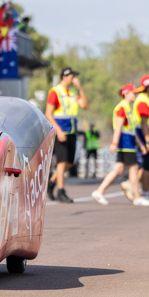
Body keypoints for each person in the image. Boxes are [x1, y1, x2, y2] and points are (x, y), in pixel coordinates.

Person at [44, 67, 88, 203]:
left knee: (69, 163)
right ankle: (61, 191)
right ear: (65, 76)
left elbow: (85, 105)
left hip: (72, 133)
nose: (74, 79)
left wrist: (80, 87)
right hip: (61, 132)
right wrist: (58, 130)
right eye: (72, 76)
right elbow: (48, 113)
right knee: (62, 162)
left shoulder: (72, 94)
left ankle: (51, 183)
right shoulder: (55, 92)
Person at [92, 84, 142, 204]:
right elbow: (118, 127)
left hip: (129, 142)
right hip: (125, 144)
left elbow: (132, 130)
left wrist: (140, 144)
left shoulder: (129, 108)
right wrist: (114, 143)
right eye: (133, 92)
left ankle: (99, 191)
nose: (135, 95)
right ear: (126, 93)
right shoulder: (122, 108)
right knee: (134, 168)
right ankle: (137, 197)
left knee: (119, 170)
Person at [134, 75, 149, 199]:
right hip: (145, 135)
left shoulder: (146, 100)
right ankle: (143, 192)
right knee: (146, 166)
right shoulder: (143, 101)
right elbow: (144, 124)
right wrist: (148, 141)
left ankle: (138, 189)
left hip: (148, 134)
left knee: (148, 166)